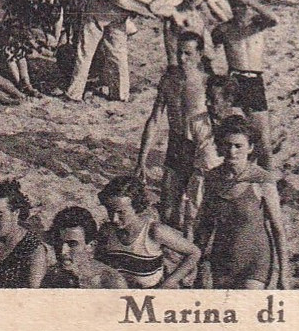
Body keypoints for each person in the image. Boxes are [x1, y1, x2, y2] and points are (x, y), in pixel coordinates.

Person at [194, 118, 288, 289]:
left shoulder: (262, 180)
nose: (232, 151)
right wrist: (199, 267)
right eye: (227, 145)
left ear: (250, 148)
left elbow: (278, 230)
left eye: (238, 146)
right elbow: (205, 225)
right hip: (222, 260)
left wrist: (284, 275)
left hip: (256, 262)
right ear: (220, 146)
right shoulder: (213, 178)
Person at [136, 32, 210, 229]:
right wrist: (142, 160)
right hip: (176, 146)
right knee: (168, 210)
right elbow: (154, 120)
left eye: (188, 53)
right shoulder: (169, 80)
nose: (182, 58)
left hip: (200, 148)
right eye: (179, 53)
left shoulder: (207, 82)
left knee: (197, 214)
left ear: (200, 54)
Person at [210, 0, 279, 168]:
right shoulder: (225, 29)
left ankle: (269, 185)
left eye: (243, 6)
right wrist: (215, 80)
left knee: (264, 141)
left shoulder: (257, 25)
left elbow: (275, 19)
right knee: (235, 135)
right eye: (235, 6)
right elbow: (207, 53)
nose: (240, 10)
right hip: (234, 82)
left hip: (254, 81)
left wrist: (249, 1)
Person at [95, 175, 200, 288]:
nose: (114, 218)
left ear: (136, 206)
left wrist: (168, 283)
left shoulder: (154, 231)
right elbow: (100, 263)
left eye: (121, 212)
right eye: (110, 211)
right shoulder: (107, 231)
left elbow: (194, 253)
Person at [42, 206, 126, 288]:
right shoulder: (51, 276)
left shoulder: (110, 281)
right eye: (58, 243)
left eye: (72, 244)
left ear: (91, 246)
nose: (63, 251)